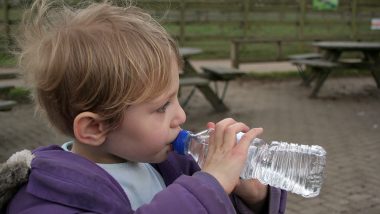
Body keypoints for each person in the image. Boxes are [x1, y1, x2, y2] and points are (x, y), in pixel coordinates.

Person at [1, 0, 287, 213]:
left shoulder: (172, 167)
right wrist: (208, 187)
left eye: (176, 97)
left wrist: (250, 198)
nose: (181, 116)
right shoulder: (47, 197)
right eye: (162, 107)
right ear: (94, 127)